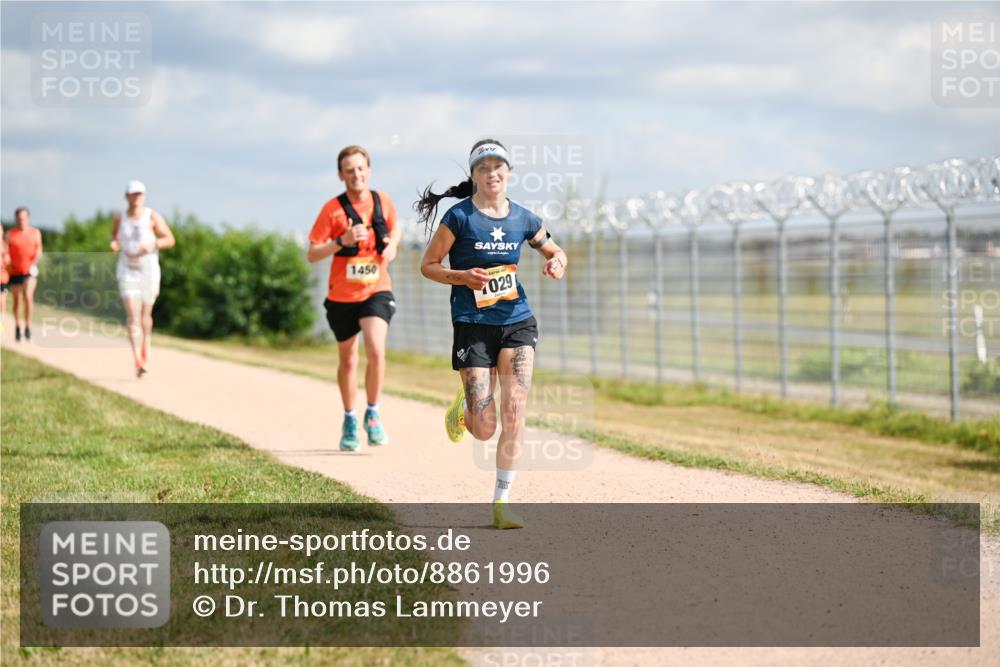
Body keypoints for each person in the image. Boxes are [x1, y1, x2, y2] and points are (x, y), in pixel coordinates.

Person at [416, 139, 568, 529]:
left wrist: (557, 262)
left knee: (515, 407)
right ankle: (465, 409)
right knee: (484, 429)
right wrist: (462, 277)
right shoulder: (460, 218)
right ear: (474, 175)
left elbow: (554, 250)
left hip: (518, 320)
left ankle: (502, 502)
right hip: (473, 325)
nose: (492, 173)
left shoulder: (523, 218)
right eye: (484, 167)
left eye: (498, 166)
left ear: (509, 173)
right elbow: (429, 266)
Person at [307, 145, 402, 452]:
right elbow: (312, 253)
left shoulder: (382, 201)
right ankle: (350, 418)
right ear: (340, 175)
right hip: (341, 296)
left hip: (376, 289)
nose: (356, 174)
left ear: (369, 171)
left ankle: (372, 413)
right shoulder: (332, 210)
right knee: (348, 359)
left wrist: (393, 247)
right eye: (349, 170)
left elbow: (395, 227)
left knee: (375, 350)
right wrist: (341, 241)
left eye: (360, 168)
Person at [110, 180, 175, 377]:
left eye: (139, 194)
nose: (136, 197)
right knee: (133, 316)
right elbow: (114, 237)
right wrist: (114, 244)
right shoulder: (119, 217)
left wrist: (153, 244)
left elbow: (170, 239)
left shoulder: (152, 216)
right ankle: (137, 359)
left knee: (145, 315)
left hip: (148, 269)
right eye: (133, 194)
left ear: (144, 196)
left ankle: (146, 345)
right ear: (126, 196)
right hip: (127, 269)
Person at [6, 207, 43, 342]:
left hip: (30, 272)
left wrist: (33, 263)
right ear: (16, 219)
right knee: (17, 300)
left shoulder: (35, 233)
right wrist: (8, 261)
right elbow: (5, 251)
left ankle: (28, 326)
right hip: (15, 271)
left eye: (24, 218)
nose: (22, 221)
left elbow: (39, 251)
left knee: (28, 297)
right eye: (19, 219)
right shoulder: (10, 234)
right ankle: (17, 326)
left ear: (28, 218)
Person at [1, 225, 10, 326]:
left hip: (2, 278)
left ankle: (1, 324)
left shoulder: (5, 246)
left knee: (2, 301)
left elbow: (9, 260)